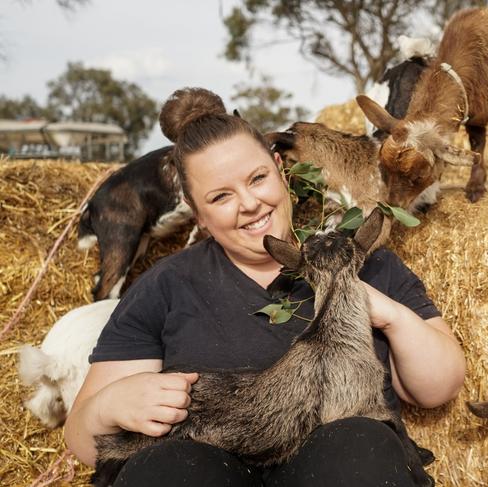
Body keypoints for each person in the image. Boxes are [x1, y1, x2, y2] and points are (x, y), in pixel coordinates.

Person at [64, 87, 466, 487]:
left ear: (279, 168)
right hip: (211, 464)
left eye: (257, 178)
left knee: (360, 446)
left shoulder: (366, 263)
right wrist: (109, 407)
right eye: (221, 197)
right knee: (167, 471)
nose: (249, 203)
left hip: (335, 468)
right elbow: (83, 437)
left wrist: (385, 312)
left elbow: (439, 387)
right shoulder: (166, 286)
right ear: (197, 212)